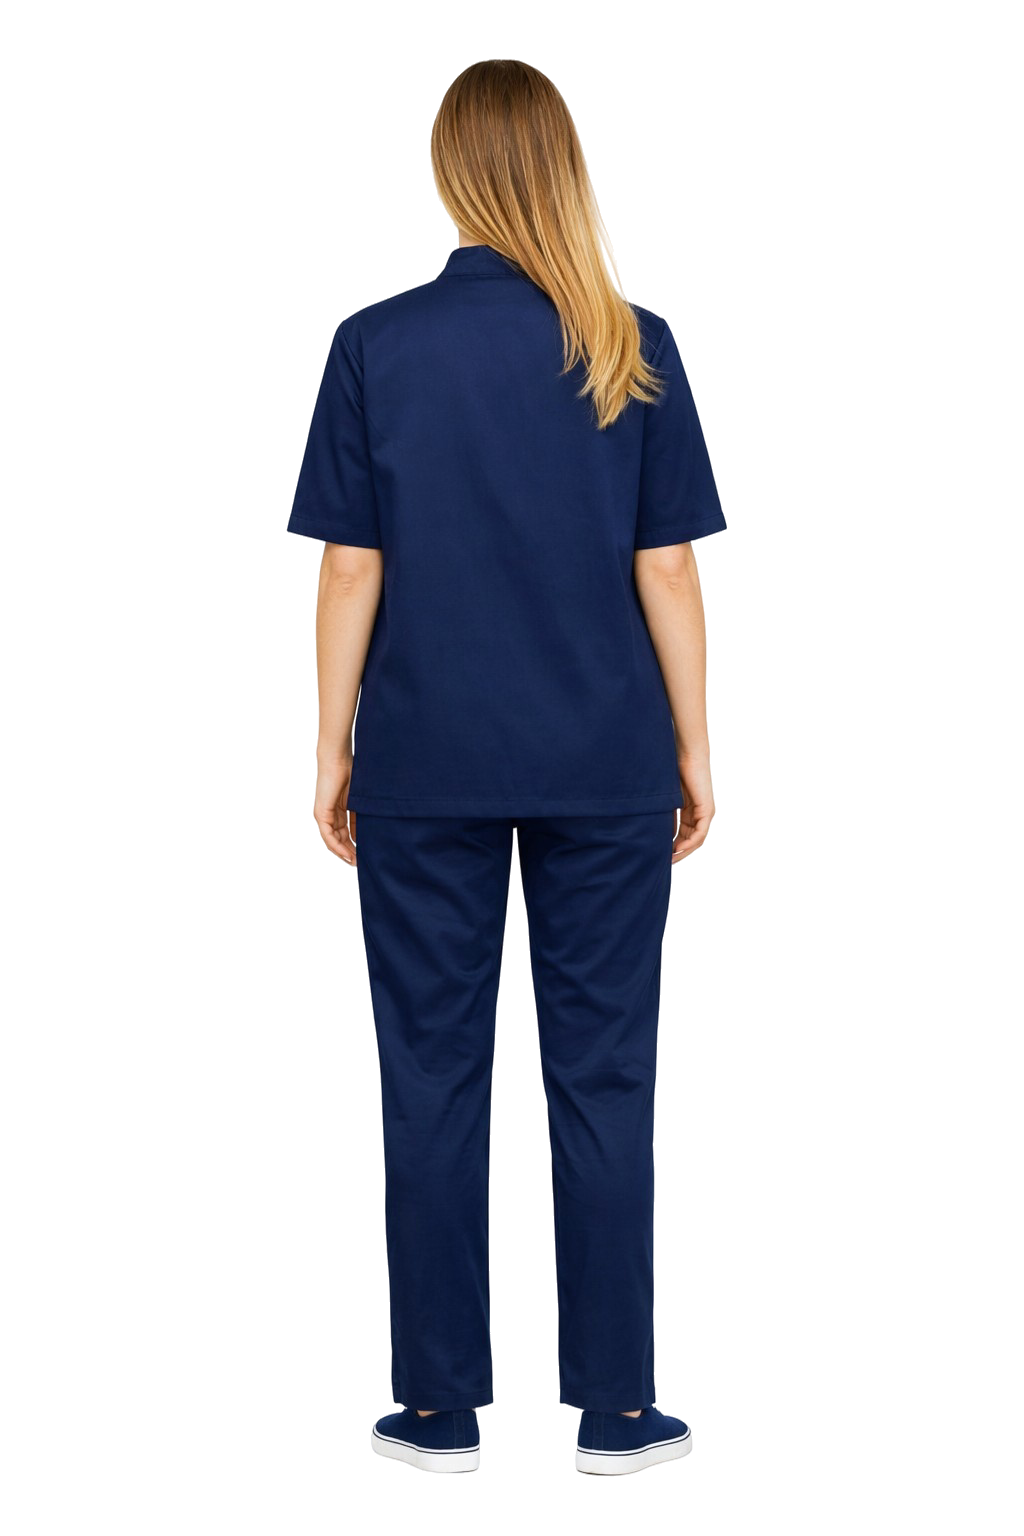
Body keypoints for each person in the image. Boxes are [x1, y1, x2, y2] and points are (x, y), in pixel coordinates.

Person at [286, 59, 726, 1476]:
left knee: (430, 1075)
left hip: (424, 759)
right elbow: (668, 568)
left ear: (451, 172)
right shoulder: (631, 343)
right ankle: (618, 1411)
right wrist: (693, 746)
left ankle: (435, 1410)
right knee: (605, 1076)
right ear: (561, 168)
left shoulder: (376, 344)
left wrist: (331, 747)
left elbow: (353, 567)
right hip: (607, 758)